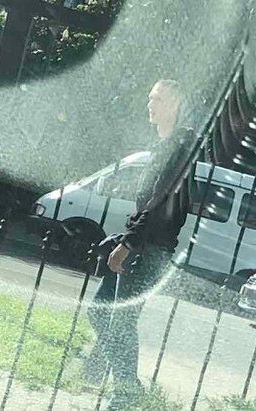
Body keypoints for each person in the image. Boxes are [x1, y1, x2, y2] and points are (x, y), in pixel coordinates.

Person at [85, 79, 196, 409]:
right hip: (143, 244)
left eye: (158, 99)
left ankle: (126, 394)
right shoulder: (166, 145)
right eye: (150, 97)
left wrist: (130, 242)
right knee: (100, 312)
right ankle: (122, 380)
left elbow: (159, 202)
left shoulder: (179, 145)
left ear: (175, 103)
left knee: (120, 321)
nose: (150, 104)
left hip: (150, 250)